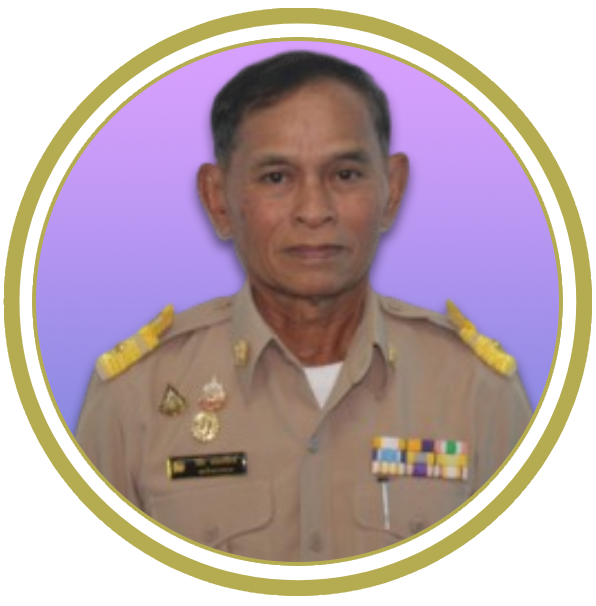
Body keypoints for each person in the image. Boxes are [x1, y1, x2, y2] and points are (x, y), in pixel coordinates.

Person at [76, 50, 532, 562]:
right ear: (218, 199)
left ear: (392, 189)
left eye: (346, 174)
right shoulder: (134, 399)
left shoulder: (477, 391)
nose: (314, 211)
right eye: (276, 177)